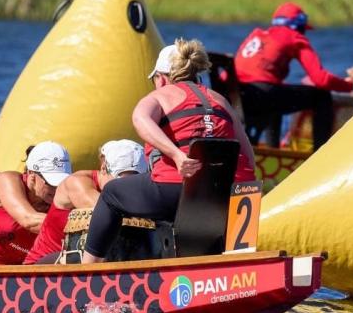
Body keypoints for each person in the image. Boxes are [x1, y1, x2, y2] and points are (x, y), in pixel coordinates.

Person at [83, 39, 255, 264]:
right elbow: (249, 157)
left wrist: (176, 155)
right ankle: (231, 268)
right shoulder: (220, 100)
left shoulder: (161, 96)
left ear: (162, 78)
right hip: (235, 195)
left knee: (111, 194)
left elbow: (139, 118)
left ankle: (87, 271)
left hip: (179, 189)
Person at [234, 2, 353, 148]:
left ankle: (272, 149)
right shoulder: (294, 37)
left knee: (277, 95)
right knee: (321, 96)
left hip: (237, 95)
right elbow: (321, 79)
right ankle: (320, 155)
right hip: (261, 95)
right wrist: (350, 86)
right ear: (298, 26)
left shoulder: (256, 35)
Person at [23, 139, 146, 265]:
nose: (128, 188)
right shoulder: (76, 182)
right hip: (40, 267)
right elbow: (108, 210)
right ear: (103, 168)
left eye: (135, 182)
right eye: (122, 181)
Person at [0, 142, 71, 265]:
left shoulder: (62, 194)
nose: (57, 189)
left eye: (62, 182)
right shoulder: (8, 180)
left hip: (26, 271)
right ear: (31, 174)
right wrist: (79, 224)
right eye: (51, 183)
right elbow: (29, 220)